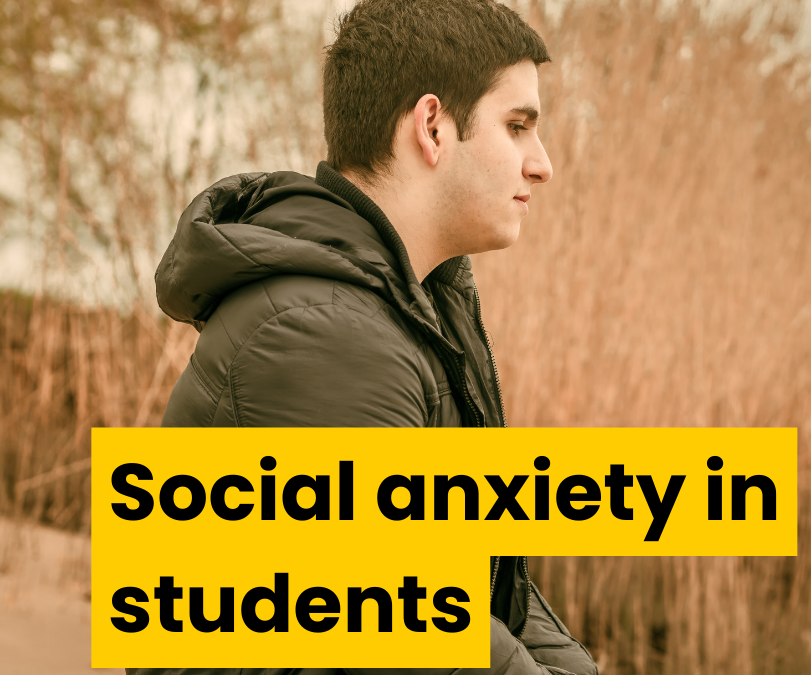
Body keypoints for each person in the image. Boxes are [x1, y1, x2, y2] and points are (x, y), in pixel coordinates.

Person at [144, 1, 598, 674]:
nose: (542, 164)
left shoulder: (412, 313)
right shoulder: (321, 330)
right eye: (518, 126)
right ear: (433, 127)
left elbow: (491, 589)